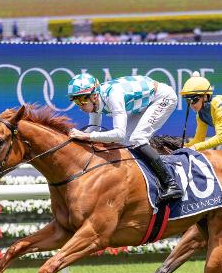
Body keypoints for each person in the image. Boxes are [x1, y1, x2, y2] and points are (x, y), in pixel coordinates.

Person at [68, 73, 183, 203]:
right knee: (125, 143)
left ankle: (171, 183)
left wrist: (86, 135)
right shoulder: (95, 102)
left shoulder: (113, 96)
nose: (80, 106)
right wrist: (76, 138)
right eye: (76, 101)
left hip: (162, 97)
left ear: (94, 96)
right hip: (143, 104)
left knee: (137, 139)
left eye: (82, 100)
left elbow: (119, 133)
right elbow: (93, 130)